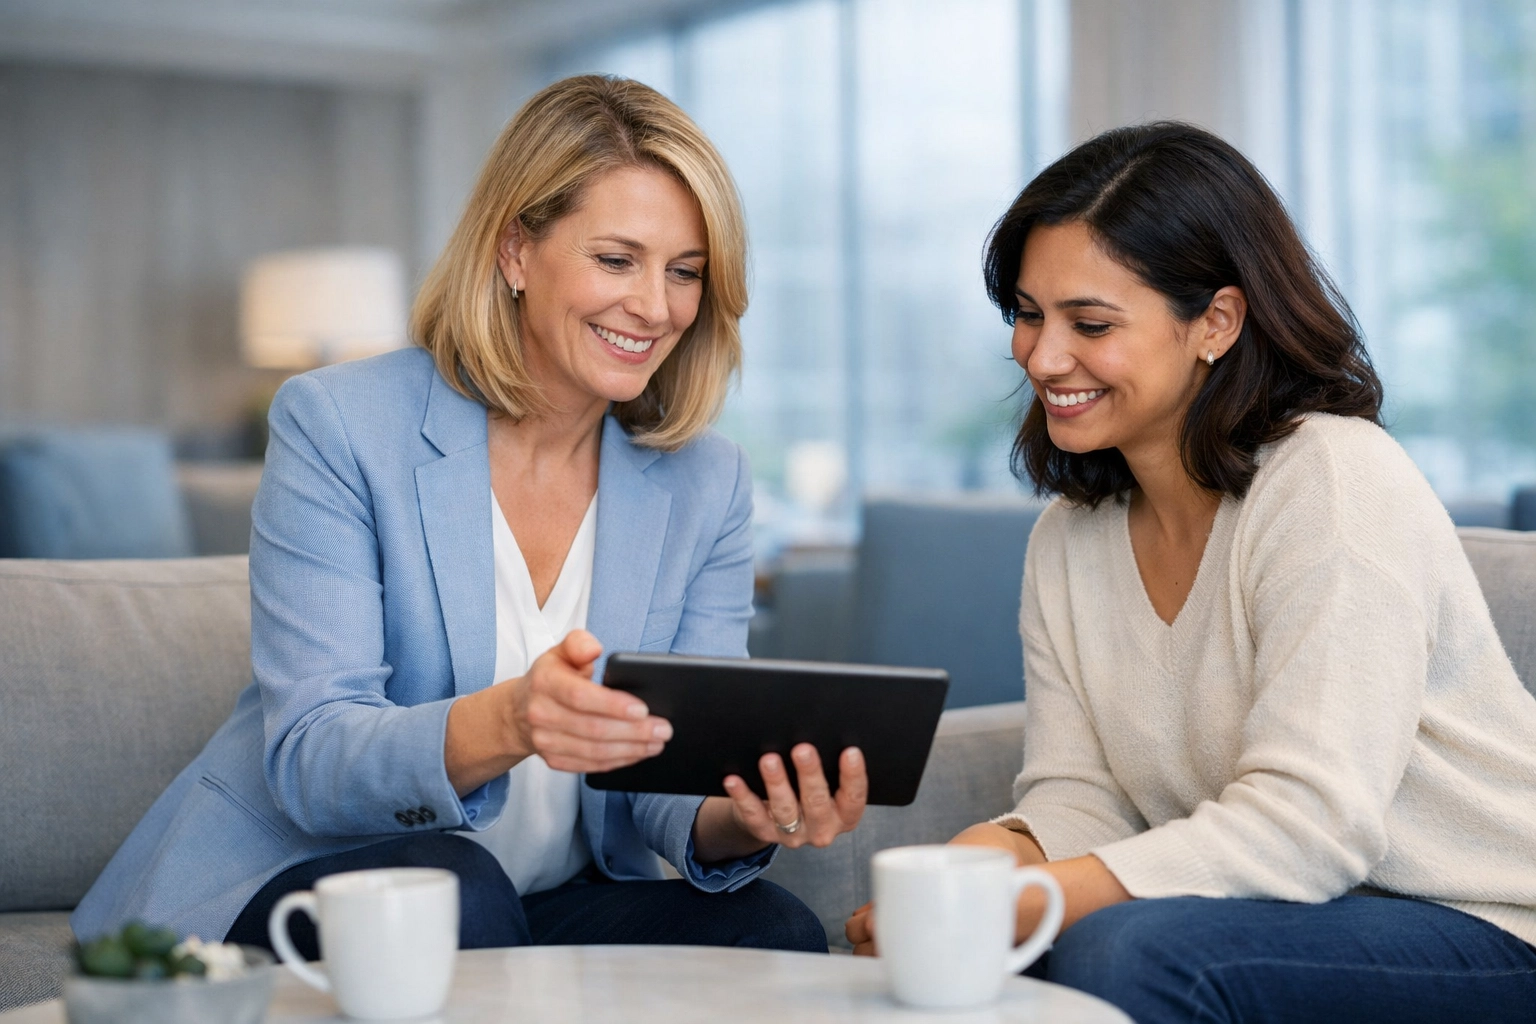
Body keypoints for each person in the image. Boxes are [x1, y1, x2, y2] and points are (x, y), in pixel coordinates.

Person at [73, 75, 866, 956]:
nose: (656, 306)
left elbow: (667, 781)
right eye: (617, 260)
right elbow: (313, 758)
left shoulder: (706, 480)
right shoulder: (340, 424)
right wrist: (516, 719)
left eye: (685, 272)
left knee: (772, 927)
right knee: (458, 894)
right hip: (309, 872)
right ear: (515, 250)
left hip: (537, 902)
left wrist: (748, 815)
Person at [846, 121, 1536, 1020]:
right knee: (991, 955)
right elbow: (1080, 797)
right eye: (1027, 314)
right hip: (1284, 917)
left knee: (1121, 949)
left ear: (1216, 322)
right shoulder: (1068, 539)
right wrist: (970, 873)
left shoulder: (1333, 480)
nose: (1042, 358)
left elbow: (1311, 825)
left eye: (1090, 324)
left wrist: (1031, 900)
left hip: (1486, 919)